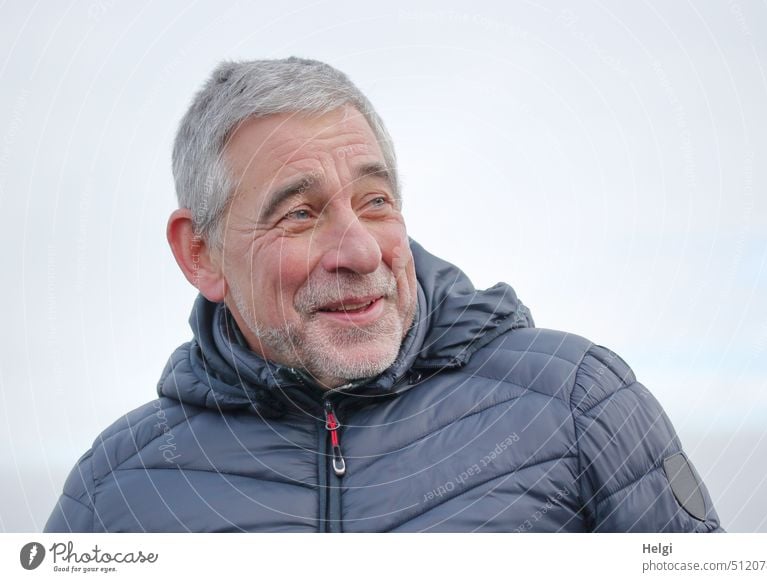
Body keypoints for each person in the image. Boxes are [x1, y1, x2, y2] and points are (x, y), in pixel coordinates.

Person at [45, 57, 722, 533]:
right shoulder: (115, 494)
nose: (361, 251)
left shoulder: (580, 404)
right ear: (201, 253)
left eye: (375, 202)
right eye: (300, 214)